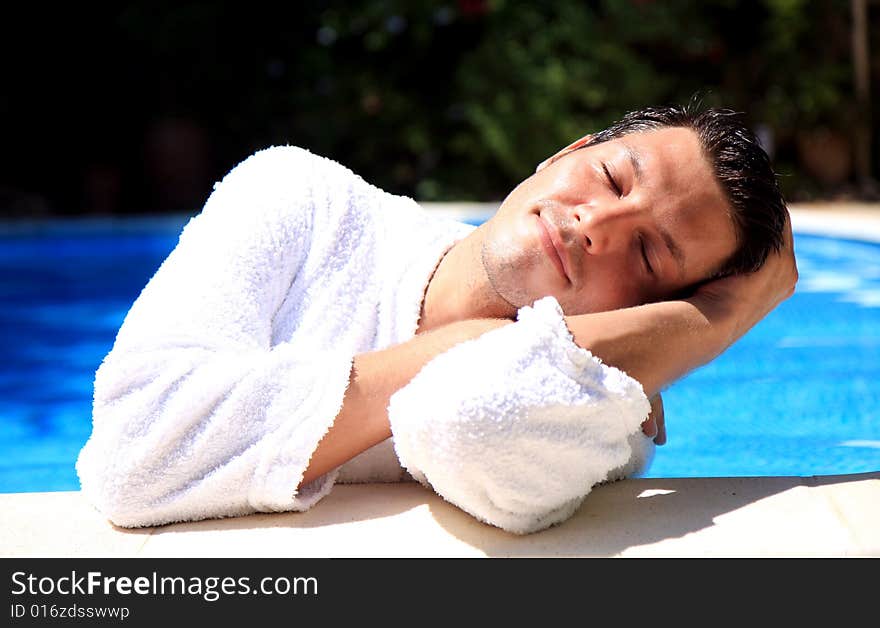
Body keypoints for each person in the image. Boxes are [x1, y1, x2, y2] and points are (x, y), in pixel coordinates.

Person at [76, 104, 797, 535]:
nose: (596, 223)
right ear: (565, 153)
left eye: (646, 255)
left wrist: (713, 324)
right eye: (610, 178)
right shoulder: (299, 199)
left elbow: (471, 419)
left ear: (651, 315)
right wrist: (478, 341)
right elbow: (132, 455)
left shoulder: (596, 401)